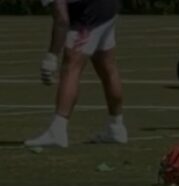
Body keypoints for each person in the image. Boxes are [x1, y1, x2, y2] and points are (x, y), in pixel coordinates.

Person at [26, 0, 127, 148]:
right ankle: (116, 127)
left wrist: (52, 56)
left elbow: (62, 20)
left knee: (71, 67)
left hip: (90, 13)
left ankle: (57, 130)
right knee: (108, 67)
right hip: (109, 6)